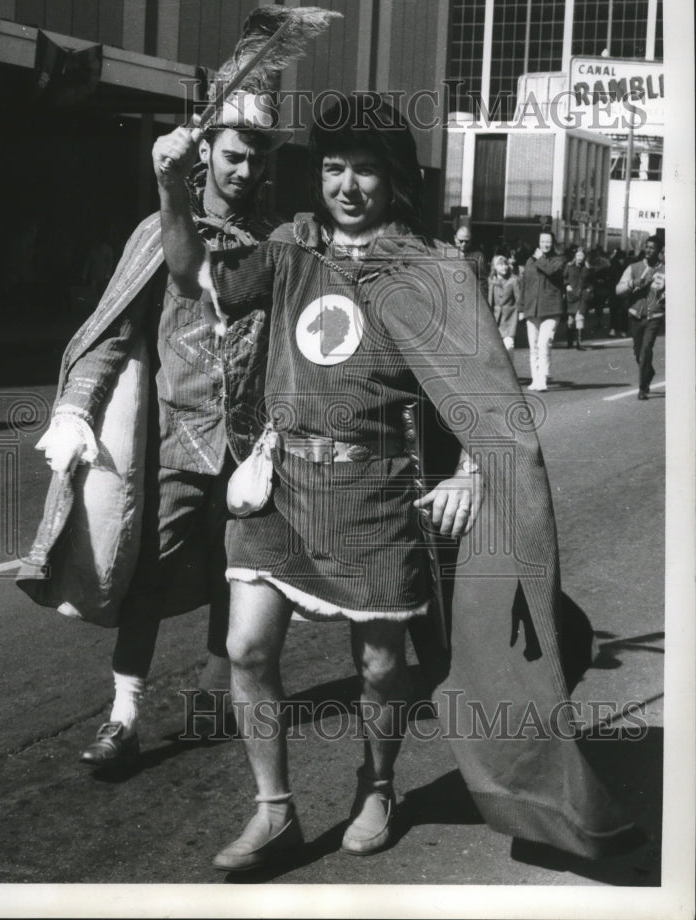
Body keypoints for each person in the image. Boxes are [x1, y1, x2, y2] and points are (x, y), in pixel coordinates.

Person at [155, 94, 633, 871]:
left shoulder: (429, 268)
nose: (346, 186)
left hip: (374, 496)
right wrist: (173, 188)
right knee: (246, 648)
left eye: (366, 170)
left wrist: (473, 472)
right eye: (334, 168)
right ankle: (272, 810)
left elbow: (481, 391)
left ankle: (376, 785)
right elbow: (190, 278)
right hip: (279, 481)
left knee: (381, 667)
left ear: (393, 178)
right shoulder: (287, 245)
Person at [19, 93, 287, 766]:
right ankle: (123, 717)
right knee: (144, 580)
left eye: (255, 157)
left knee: (238, 577)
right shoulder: (159, 230)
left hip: (249, 451)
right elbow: (114, 331)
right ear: (205, 153)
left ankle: (211, 698)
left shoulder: (278, 243)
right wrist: (77, 405)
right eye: (232, 154)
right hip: (173, 444)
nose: (243, 169)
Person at [616, 236, 665, 400]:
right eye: (647, 247)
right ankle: (648, 371)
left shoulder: (665, 270)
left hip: (654, 315)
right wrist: (634, 283)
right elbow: (618, 289)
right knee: (638, 352)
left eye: (652, 248)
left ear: (659, 251)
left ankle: (643, 388)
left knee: (645, 350)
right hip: (635, 315)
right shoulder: (634, 267)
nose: (649, 250)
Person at [517, 230, 566, 391]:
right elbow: (525, 285)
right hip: (532, 308)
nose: (545, 244)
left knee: (544, 343)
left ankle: (543, 378)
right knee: (533, 346)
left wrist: (539, 259)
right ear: (538, 243)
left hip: (551, 309)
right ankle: (535, 379)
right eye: (542, 241)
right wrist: (521, 308)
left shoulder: (558, 260)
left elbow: (551, 271)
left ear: (552, 243)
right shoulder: (530, 261)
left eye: (548, 241)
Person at [487, 253, 520, 361]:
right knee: (495, 348)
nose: (504, 267)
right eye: (500, 265)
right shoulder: (491, 281)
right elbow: (489, 301)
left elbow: (518, 298)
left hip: (509, 318)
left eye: (505, 264)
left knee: (509, 345)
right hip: (495, 319)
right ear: (494, 267)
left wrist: (520, 312)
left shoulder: (513, 280)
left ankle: (511, 371)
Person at [563, 247, 592, 350]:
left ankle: (579, 343)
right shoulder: (569, 266)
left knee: (580, 318)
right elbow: (564, 278)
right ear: (575, 256)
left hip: (582, 296)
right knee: (571, 320)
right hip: (571, 296)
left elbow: (591, 282)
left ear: (584, 257)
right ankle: (570, 342)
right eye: (578, 255)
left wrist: (588, 290)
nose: (580, 258)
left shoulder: (587, 268)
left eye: (582, 256)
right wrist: (567, 285)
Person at [453, 224, 489, 299]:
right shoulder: (448, 254)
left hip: (470, 297)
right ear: (455, 238)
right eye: (461, 241)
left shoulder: (478, 256)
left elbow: (482, 281)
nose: (464, 244)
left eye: (467, 241)